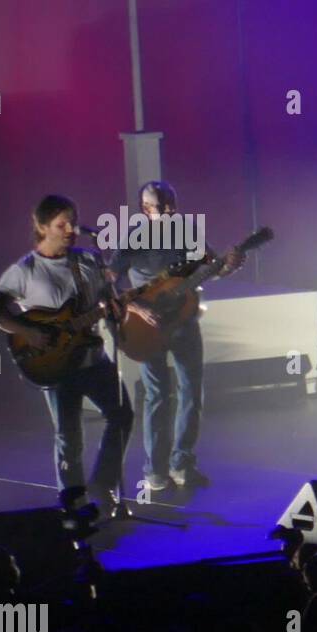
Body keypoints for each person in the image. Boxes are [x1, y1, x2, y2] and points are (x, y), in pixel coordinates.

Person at [0, 194, 134, 509]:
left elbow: (109, 300)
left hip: (94, 356)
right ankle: (73, 499)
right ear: (42, 227)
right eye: (61, 224)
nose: (70, 230)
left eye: (73, 223)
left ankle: (103, 485)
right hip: (56, 363)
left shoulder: (90, 260)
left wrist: (117, 309)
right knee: (69, 436)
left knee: (122, 415)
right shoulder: (25, 270)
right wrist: (29, 332)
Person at [108, 181, 243, 490]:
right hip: (148, 328)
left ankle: (182, 463)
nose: (170, 209)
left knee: (192, 393)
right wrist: (139, 307)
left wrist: (229, 267)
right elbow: (110, 282)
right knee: (157, 396)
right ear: (145, 209)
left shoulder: (187, 231)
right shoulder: (132, 240)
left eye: (172, 202)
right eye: (162, 205)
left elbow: (211, 269)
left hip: (184, 323)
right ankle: (155, 470)